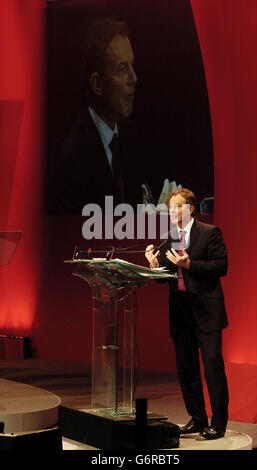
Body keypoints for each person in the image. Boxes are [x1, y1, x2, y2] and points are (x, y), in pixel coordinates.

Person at [48, 16, 180, 214]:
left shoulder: (128, 133)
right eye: (121, 69)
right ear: (97, 84)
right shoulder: (73, 161)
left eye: (132, 65)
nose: (134, 78)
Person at [145, 187, 229, 440]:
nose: (172, 211)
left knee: (212, 365)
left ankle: (219, 422)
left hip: (206, 310)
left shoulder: (210, 232)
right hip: (180, 311)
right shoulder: (168, 237)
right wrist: (154, 266)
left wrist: (190, 265)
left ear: (190, 208)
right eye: (170, 207)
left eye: (177, 207)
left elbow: (221, 266)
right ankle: (197, 417)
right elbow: (166, 278)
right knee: (186, 368)